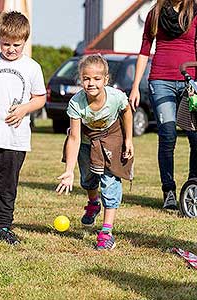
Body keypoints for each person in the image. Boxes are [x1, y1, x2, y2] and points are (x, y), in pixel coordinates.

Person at [56, 54, 134, 250]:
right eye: (86, 78)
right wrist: (69, 170)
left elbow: (126, 113)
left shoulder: (116, 97)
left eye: (97, 79)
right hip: (86, 141)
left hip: (111, 138)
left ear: (106, 80)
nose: (91, 83)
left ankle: (106, 232)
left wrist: (128, 140)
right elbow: (73, 137)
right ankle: (93, 203)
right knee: (88, 179)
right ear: (81, 79)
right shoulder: (76, 102)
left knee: (110, 181)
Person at [129, 0, 197, 210]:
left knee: (195, 136)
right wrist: (134, 87)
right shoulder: (155, 14)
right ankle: (168, 190)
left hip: (190, 82)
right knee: (168, 135)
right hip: (161, 80)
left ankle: (193, 186)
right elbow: (144, 51)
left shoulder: (194, 12)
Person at [0, 11, 46, 244]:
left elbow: (40, 98)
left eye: (16, 44)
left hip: (14, 138)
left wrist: (24, 109)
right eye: (6, 44)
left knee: (7, 185)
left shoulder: (32, 67)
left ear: (25, 41)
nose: (11, 49)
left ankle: (3, 226)